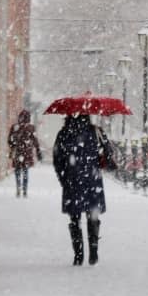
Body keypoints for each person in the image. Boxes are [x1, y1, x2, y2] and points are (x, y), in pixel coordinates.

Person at [52, 114, 113, 266]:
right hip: (92, 180)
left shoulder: (64, 133)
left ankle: (78, 255)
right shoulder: (96, 131)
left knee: (74, 218)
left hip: (72, 180)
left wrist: (63, 178)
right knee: (92, 216)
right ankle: (93, 253)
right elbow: (109, 152)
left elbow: (57, 158)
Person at [7, 109, 42, 197]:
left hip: (18, 152)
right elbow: (35, 141)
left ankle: (18, 187)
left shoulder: (15, 127)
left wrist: (13, 145)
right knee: (25, 171)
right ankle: (24, 189)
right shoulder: (31, 127)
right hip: (27, 153)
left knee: (17, 171)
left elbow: (9, 140)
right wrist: (38, 152)